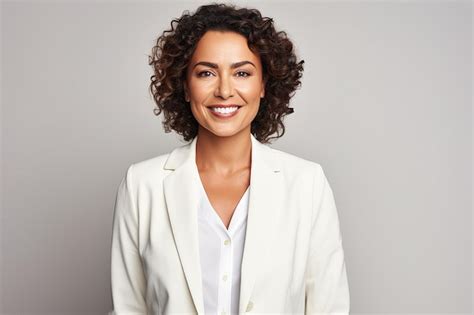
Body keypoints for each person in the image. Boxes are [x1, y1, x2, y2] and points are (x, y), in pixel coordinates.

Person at [110, 3, 350, 314]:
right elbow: (129, 308)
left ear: (264, 84)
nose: (225, 90)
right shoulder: (142, 185)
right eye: (206, 72)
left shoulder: (307, 184)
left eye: (242, 73)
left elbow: (328, 308)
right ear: (185, 85)